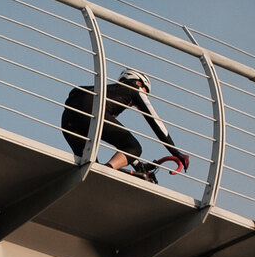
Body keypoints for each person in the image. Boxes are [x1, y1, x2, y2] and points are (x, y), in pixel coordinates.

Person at [60, 69, 188, 181]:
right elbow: (155, 122)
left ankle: (98, 174)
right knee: (135, 147)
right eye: (145, 93)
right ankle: (105, 171)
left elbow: (121, 145)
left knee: (90, 166)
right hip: (91, 109)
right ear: (138, 82)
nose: (135, 105)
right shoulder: (135, 89)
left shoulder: (109, 93)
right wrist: (176, 152)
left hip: (69, 117)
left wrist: (138, 165)